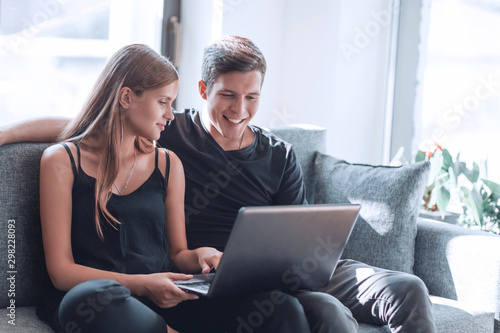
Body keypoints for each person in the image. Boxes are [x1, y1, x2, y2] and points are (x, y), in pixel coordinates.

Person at [0, 36, 436, 333]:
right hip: (162, 285)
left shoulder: (268, 155)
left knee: (396, 290)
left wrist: (203, 258)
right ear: (204, 90)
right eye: (228, 95)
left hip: (282, 272)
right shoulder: (165, 132)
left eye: (252, 97)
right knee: (89, 298)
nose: (240, 109)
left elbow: (298, 245)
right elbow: (86, 125)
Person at [32, 43, 313, 333]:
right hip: (105, 299)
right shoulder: (62, 161)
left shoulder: (168, 164)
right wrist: (143, 284)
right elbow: (61, 272)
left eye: (172, 103)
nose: (170, 114)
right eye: (163, 102)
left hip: (164, 300)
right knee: (88, 298)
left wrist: (201, 254)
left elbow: (179, 253)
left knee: (281, 307)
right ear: (126, 97)